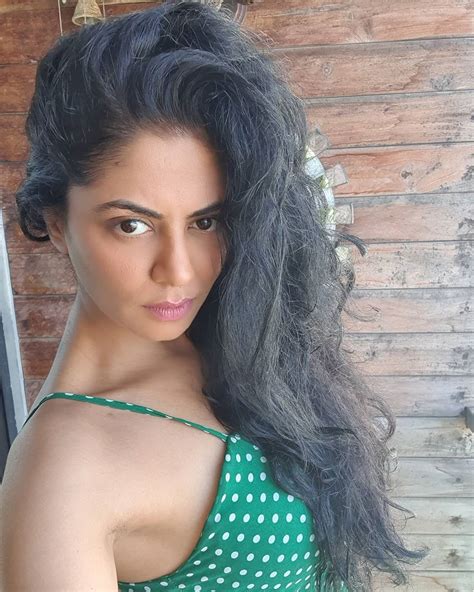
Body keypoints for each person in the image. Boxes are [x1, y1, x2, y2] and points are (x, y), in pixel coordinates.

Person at [0, 2, 426, 591]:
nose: (179, 271)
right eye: (132, 224)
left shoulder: (232, 327)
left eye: (206, 221)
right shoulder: (63, 472)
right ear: (55, 222)